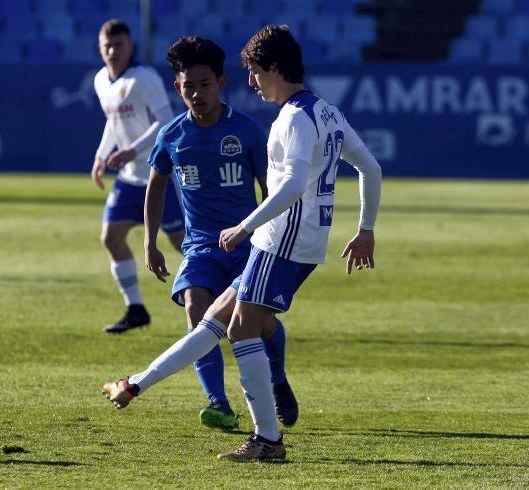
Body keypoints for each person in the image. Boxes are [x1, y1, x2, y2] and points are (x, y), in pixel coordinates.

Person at [103, 24, 382, 461]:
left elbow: (289, 187)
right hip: (293, 240)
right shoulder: (325, 111)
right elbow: (371, 167)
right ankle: (135, 383)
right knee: (213, 321)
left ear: (273, 68)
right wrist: (364, 229)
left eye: (254, 71)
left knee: (239, 329)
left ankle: (267, 440)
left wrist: (245, 227)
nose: (251, 81)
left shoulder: (294, 118)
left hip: (281, 240)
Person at [143, 35, 298, 431]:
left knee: (257, 326)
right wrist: (150, 242)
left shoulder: (246, 131)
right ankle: (218, 402)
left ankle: (277, 380)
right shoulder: (172, 136)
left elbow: (271, 190)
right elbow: (156, 184)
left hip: (250, 247)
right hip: (200, 248)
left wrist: (271, 239)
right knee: (196, 308)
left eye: (204, 84)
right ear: (177, 88)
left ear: (221, 82)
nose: (197, 93)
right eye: (188, 86)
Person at [92, 19, 185, 334]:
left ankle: (217, 294)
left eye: (119, 45)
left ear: (130, 46)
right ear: (99, 48)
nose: (113, 51)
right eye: (107, 45)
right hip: (131, 179)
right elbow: (112, 121)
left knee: (182, 242)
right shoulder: (101, 81)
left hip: (160, 175)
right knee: (111, 236)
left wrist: (131, 150)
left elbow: (166, 122)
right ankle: (135, 308)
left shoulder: (144, 78)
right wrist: (101, 155)